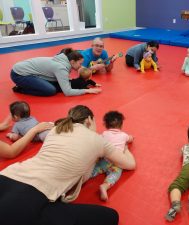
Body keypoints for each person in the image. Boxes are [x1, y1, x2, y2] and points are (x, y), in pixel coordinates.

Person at [0, 105, 136, 225]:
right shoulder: (98, 140)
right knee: (111, 216)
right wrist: (125, 148)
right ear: (89, 120)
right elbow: (130, 164)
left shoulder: (55, 130)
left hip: (7, 175)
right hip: (31, 197)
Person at [10, 48, 100, 96]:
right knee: (50, 90)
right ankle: (21, 89)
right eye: (80, 64)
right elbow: (67, 92)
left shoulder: (63, 60)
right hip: (19, 74)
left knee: (54, 84)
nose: (81, 66)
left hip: (24, 69)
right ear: (72, 62)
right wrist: (86, 91)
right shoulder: (61, 68)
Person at [91, 111, 134, 201]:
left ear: (105, 125)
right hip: (117, 162)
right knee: (115, 175)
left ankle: (85, 177)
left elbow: (98, 140)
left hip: (105, 159)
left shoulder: (104, 134)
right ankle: (105, 186)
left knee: (94, 169)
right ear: (121, 125)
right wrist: (132, 137)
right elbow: (130, 139)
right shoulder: (124, 135)